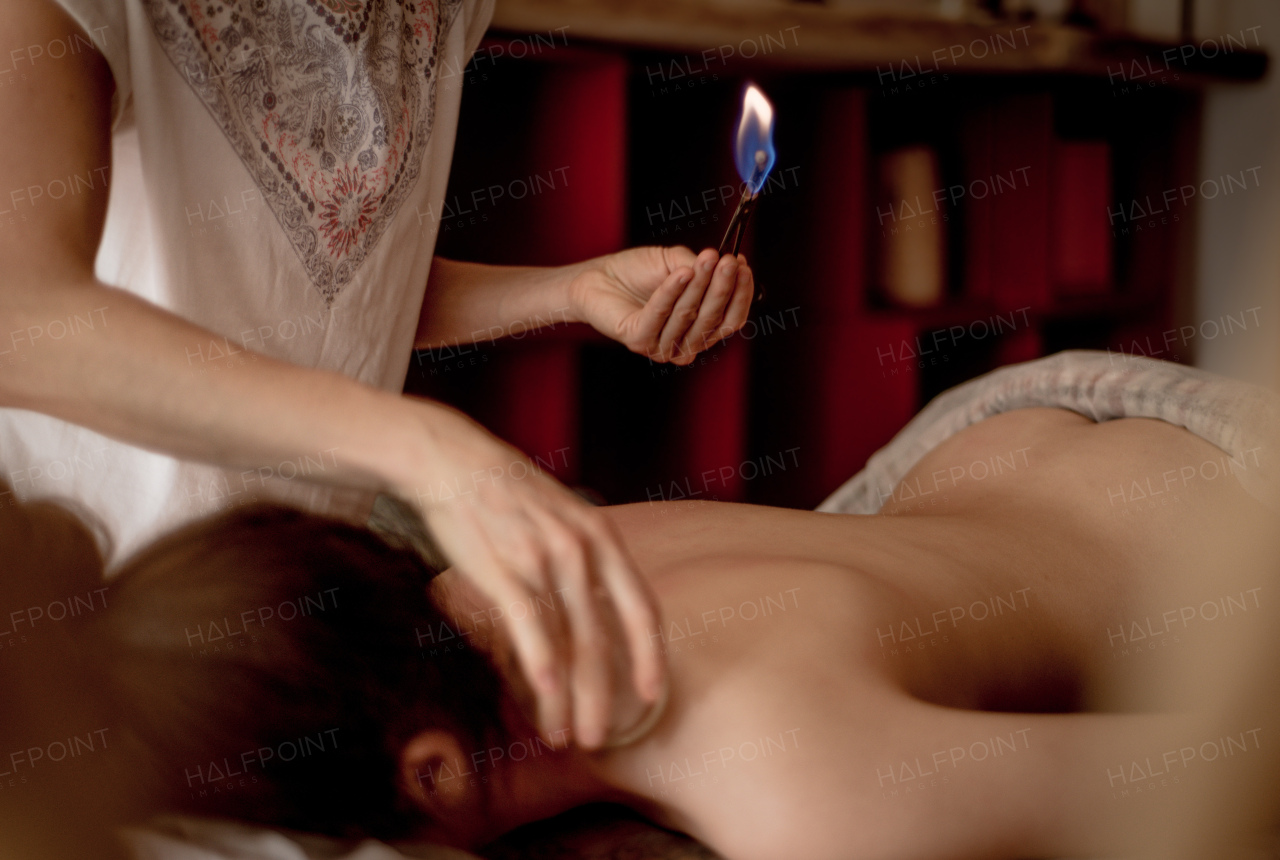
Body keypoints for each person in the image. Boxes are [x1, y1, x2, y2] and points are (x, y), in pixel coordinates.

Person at [85, 353, 1280, 860]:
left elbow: (1228, 775)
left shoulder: (798, 787)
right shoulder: (507, 562)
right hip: (995, 433)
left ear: (436, 775)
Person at [0, 0, 759, 748]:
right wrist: (418, 447)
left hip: (293, 616)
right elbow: (20, 321)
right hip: (82, 624)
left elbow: (324, 287)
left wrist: (567, 292)